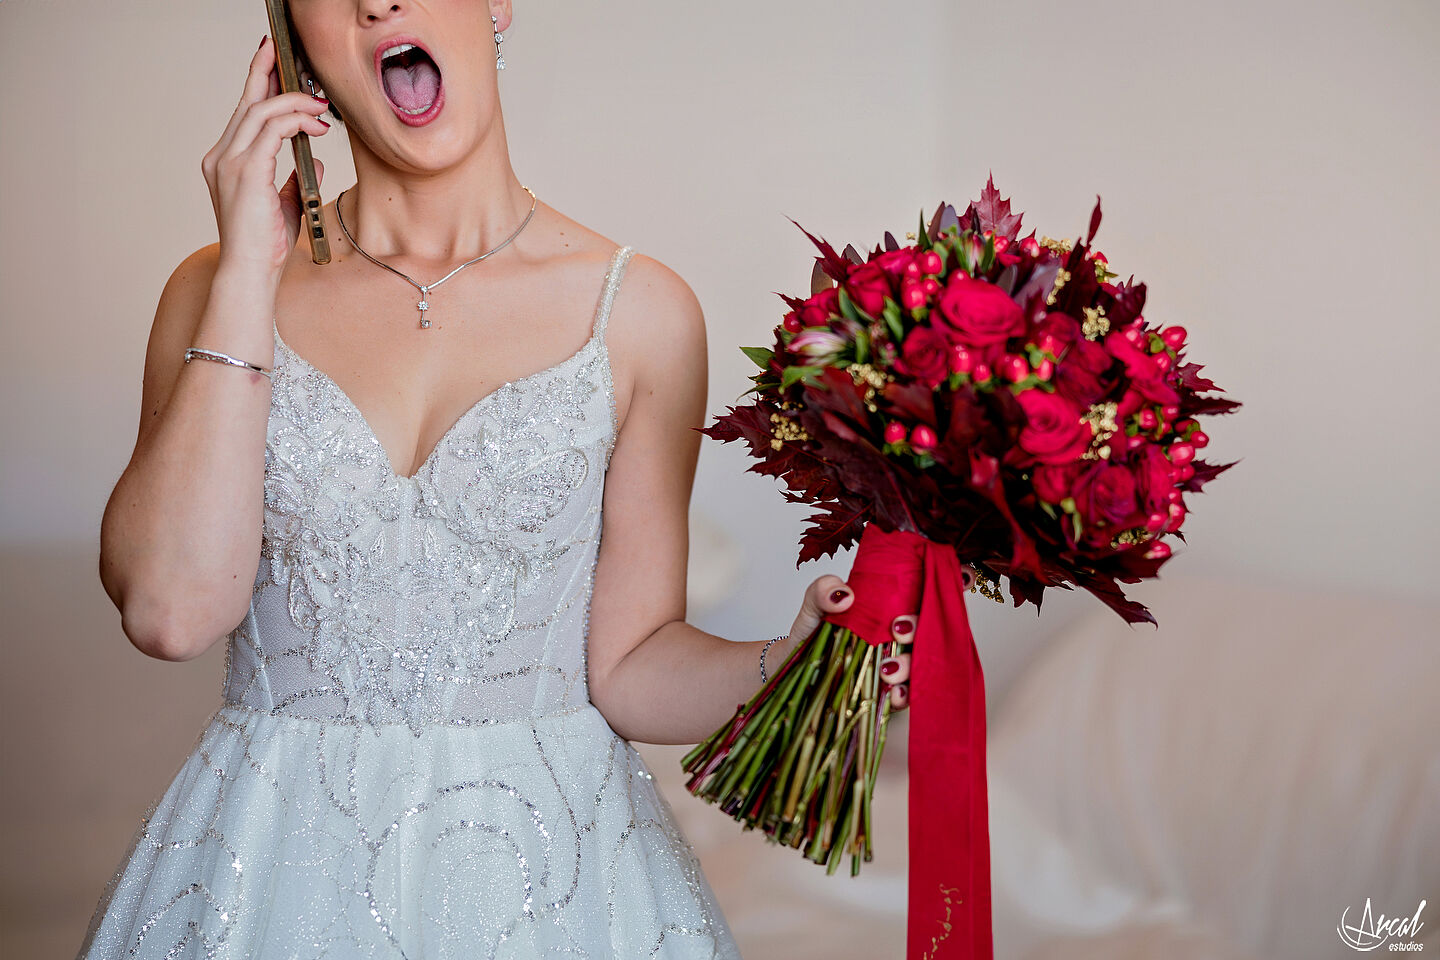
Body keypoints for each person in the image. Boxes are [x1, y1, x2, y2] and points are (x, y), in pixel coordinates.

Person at [80, 3, 921, 956]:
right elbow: (170, 614)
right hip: (267, 872)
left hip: (551, 888)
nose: (379, 2)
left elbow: (631, 667)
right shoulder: (213, 287)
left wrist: (800, 656)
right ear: (293, 45)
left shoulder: (639, 314)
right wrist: (245, 273)